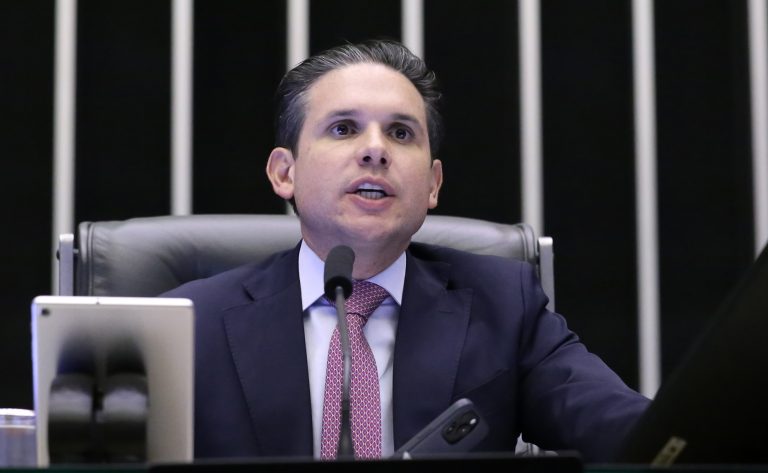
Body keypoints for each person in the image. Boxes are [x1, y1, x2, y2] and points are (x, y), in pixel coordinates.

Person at [161, 38, 650, 463]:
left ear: (433, 183)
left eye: (401, 133)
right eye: (343, 129)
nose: (375, 150)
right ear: (284, 173)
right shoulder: (191, 323)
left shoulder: (504, 306)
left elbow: (625, 430)